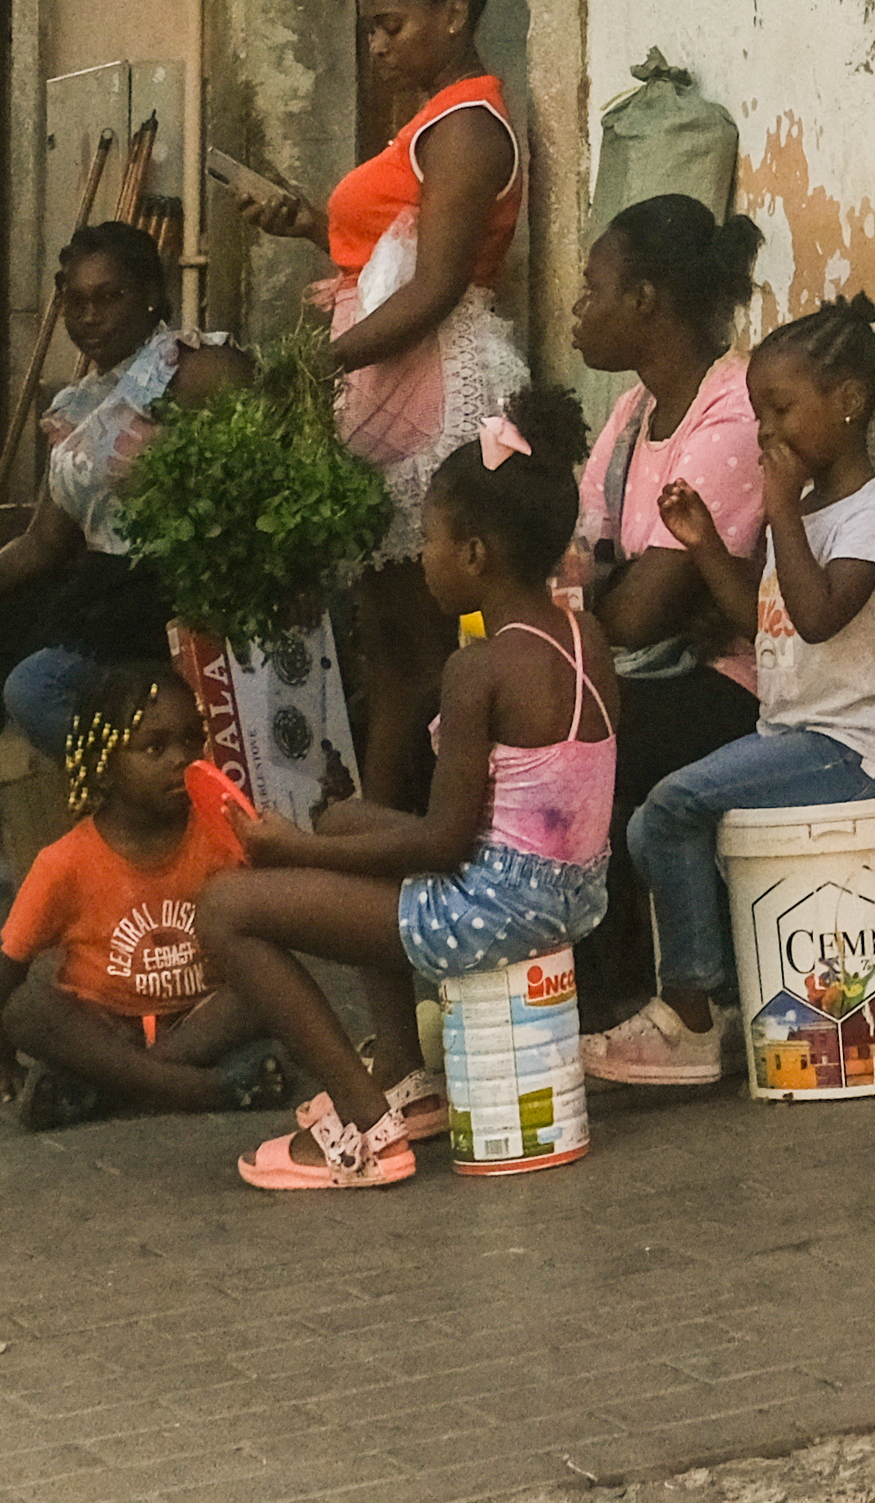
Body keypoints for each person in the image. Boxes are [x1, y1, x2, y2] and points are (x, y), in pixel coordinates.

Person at [194, 392, 618, 1192]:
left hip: (495, 908)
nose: (420, 557)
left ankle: (363, 1127)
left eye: (427, 539)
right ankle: (401, 1069)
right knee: (352, 814)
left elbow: (442, 844)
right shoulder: (582, 633)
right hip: (573, 891)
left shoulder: (477, 669)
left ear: (476, 553)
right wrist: (339, 833)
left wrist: (300, 849)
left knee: (226, 908)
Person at [233, 0, 532, 810]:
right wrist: (305, 222)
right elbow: (387, 253)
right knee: (395, 653)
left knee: (424, 650)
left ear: (455, 14)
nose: (376, 45)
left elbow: (436, 284)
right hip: (395, 384)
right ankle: (382, 846)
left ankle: (404, 849)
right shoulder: (429, 122)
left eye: (390, 25)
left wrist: (316, 365)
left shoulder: (470, 126)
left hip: (430, 388)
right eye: (369, 28)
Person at [591, 293, 875, 1087]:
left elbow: (814, 615)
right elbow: (763, 619)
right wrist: (706, 546)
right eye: (759, 412)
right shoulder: (803, 511)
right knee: (648, 830)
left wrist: (777, 511)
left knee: (668, 808)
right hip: (790, 735)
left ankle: (693, 1016)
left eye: (780, 409)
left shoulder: (872, 517)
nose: (766, 431)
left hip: (853, 751)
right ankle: (726, 1005)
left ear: (848, 403)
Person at [0, 221, 248, 889]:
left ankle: (152, 815)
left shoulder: (196, 368)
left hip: (169, 589)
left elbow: (254, 468)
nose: (89, 316)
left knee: (35, 685)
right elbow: (45, 541)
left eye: (107, 297)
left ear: (149, 295)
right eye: (76, 301)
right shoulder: (78, 401)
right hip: (97, 586)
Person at [564, 191, 774, 1019]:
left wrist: (601, 589)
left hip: (737, 685)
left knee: (562, 737)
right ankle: (584, 987)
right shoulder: (631, 416)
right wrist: (601, 586)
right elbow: (584, 565)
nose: (581, 309)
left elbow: (639, 610)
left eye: (593, 288)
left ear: (644, 300)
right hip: (658, 668)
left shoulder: (732, 413)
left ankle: (605, 994)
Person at [0, 661, 286, 1130]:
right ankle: (199, 1088)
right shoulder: (63, 862)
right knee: (27, 1010)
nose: (181, 758)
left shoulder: (221, 835)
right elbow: (11, 963)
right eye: (154, 747)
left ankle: (111, 1089)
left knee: (269, 989)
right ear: (104, 762)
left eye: (191, 741)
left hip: (195, 1021)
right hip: (103, 1025)